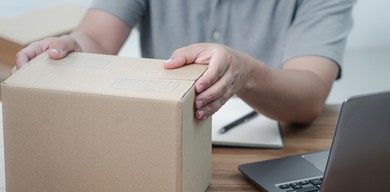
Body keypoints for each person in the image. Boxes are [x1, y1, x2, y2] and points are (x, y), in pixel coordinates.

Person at [12, 0, 356, 124]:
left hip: (271, 155)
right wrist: (69, 47)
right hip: (161, 137)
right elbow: (97, 39)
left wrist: (244, 71)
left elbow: (310, 92)